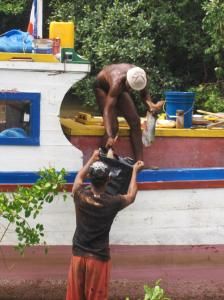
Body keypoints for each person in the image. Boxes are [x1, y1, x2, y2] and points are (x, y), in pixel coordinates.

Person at [66, 149, 144, 300]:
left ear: (90, 177)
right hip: (98, 258)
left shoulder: (79, 195)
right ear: (109, 180)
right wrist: (134, 171)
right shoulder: (112, 202)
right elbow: (131, 196)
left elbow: (78, 178)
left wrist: (92, 159)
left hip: (78, 255)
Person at [94, 63, 164, 161]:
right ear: (127, 80)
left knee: (135, 121)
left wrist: (151, 107)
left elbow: (144, 96)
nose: (131, 90)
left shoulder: (142, 77)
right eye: (130, 87)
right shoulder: (117, 82)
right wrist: (110, 135)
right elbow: (108, 110)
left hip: (120, 89)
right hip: (102, 87)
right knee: (113, 128)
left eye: (133, 89)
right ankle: (100, 162)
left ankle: (139, 162)